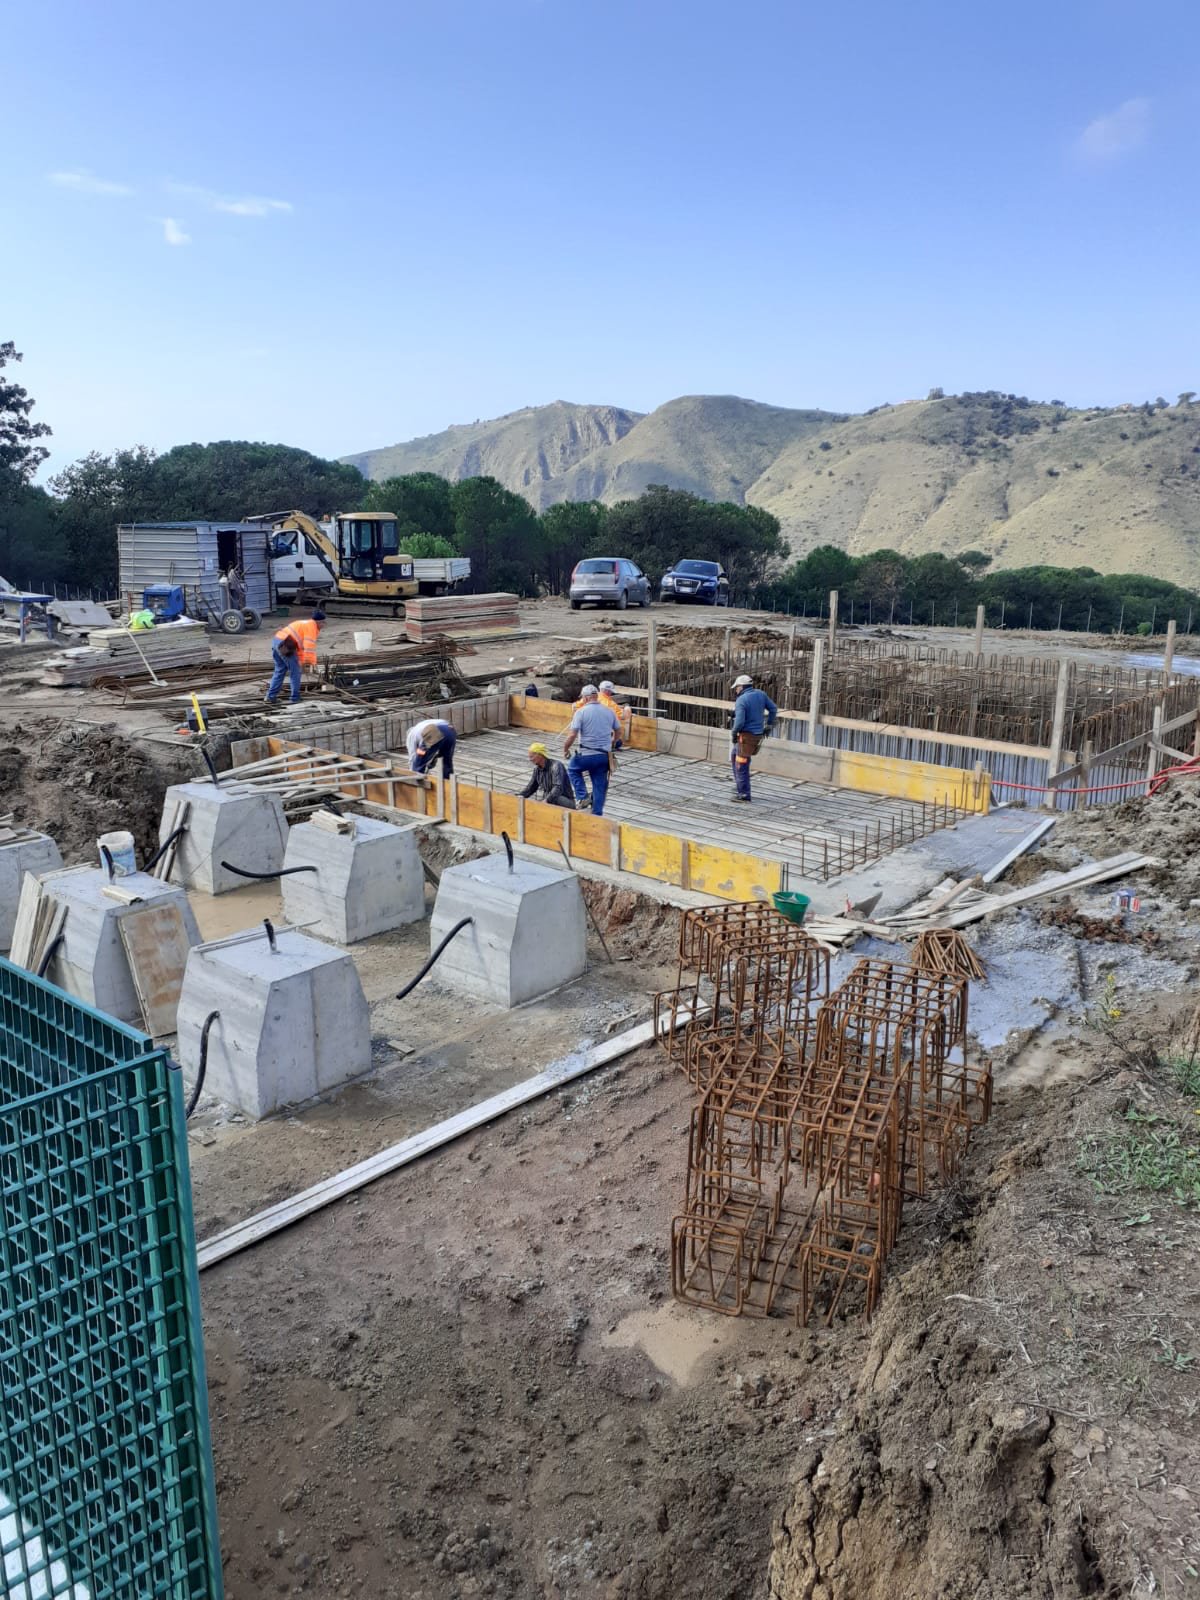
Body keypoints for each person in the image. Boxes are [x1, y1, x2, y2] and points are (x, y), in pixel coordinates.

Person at [564, 684, 620, 815]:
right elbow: (618, 731)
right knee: (599, 785)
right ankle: (597, 813)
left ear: (586, 698)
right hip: (603, 756)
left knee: (572, 769)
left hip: (586, 754)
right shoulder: (609, 711)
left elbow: (572, 735)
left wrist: (565, 748)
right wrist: (613, 742)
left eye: (582, 698)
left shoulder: (581, 712)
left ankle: (582, 797)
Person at [730, 672, 778, 802]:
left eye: (736, 687)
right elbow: (773, 709)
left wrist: (734, 733)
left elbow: (739, 722)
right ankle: (740, 785)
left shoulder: (741, 700)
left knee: (741, 764)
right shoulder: (761, 694)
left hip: (745, 737)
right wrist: (769, 725)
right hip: (757, 735)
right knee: (734, 756)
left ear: (741, 687)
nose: (736, 690)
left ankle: (744, 795)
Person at [266, 610, 325, 705]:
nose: (324, 625)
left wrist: (301, 661)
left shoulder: (305, 623)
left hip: (277, 641)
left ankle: (270, 697)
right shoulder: (311, 627)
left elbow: (301, 648)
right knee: (295, 672)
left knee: (280, 671)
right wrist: (311, 664)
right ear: (319, 622)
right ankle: (295, 698)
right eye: (323, 623)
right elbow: (309, 648)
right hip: (286, 645)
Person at [520, 743, 575, 808]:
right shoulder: (537, 770)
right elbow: (531, 788)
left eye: (531, 757)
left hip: (565, 801)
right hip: (549, 800)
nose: (530, 759)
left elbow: (558, 788)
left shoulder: (556, 765)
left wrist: (546, 800)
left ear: (540, 755)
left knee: (555, 798)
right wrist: (518, 797)